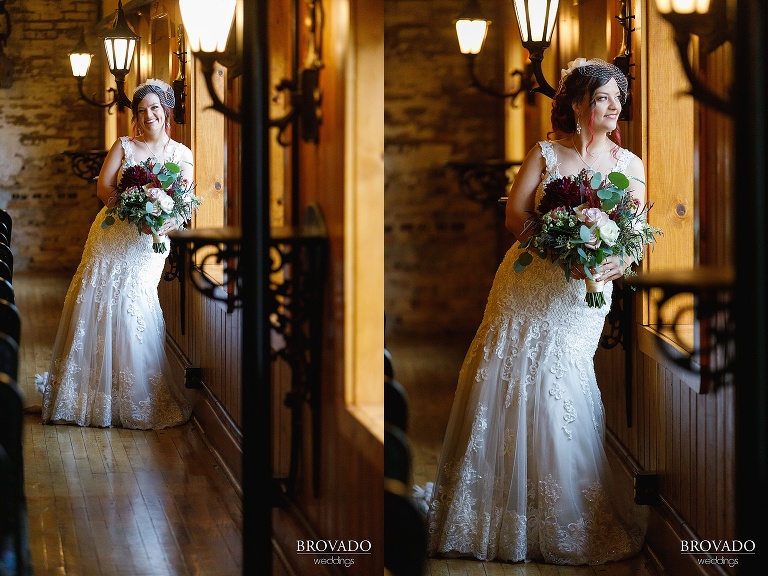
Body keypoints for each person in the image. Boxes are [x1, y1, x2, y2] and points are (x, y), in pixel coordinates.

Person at [418, 58, 649, 565]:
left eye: (619, 99)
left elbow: (634, 238)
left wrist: (617, 258)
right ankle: (497, 510)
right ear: (579, 104)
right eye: (605, 98)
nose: (615, 107)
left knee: (559, 382)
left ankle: (564, 515)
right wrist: (556, 243)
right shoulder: (545, 152)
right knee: (507, 376)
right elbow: (514, 216)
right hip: (528, 281)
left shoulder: (629, 165)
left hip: (582, 293)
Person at [36, 79, 193, 429]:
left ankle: (135, 398)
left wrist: (165, 219)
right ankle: (86, 395)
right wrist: (125, 203)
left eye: (154, 108)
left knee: (133, 306)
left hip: (148, 242)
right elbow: (103, 186)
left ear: (165, 111)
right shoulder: (124, 146)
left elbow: (183, 205)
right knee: (97, 300)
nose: (148, 115)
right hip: (111, 234)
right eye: (141, 110)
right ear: (136, 116)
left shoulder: (182, 155)